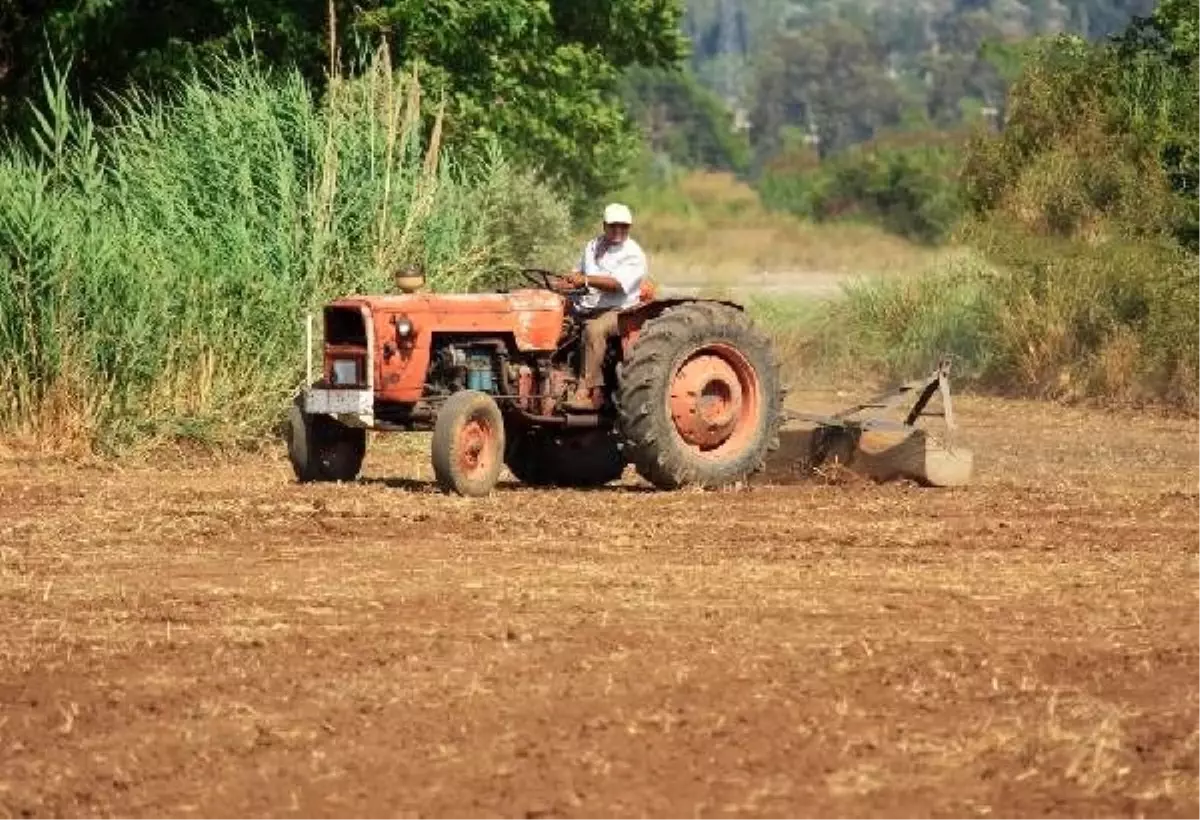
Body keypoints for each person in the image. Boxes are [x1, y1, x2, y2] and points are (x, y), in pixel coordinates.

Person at [554, 202, 648, 411]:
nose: (618, 231)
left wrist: (585, 281)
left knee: (594, 330)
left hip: (620, 311)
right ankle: (554, 383)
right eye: (613, 226)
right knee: (556, 327)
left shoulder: (633, 254)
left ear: (629, 228)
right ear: (604, 225)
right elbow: (577, 274)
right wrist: (563, 283)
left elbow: (616, 285)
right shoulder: (593, 246)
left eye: (623, 226)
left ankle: (588, 391)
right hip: (586, 307)